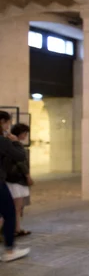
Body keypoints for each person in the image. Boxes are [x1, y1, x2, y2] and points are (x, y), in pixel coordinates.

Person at [0, 111, 30, 262]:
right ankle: (10, 251)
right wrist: (15, 141)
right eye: (7, 123)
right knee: (10, 213)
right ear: (3, 122)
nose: (8, 126)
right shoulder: (3, 141)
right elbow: (20, 156)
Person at [6, 124, 32, 237]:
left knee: (17, 207)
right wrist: (27, 175)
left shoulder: (13, 144)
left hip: (14, 179)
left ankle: (16, 228)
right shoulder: (15, 145)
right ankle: (15, 229)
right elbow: (20, 161)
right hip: (16, 179)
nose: (26, 135)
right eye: (25, 133)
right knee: (16, 207)